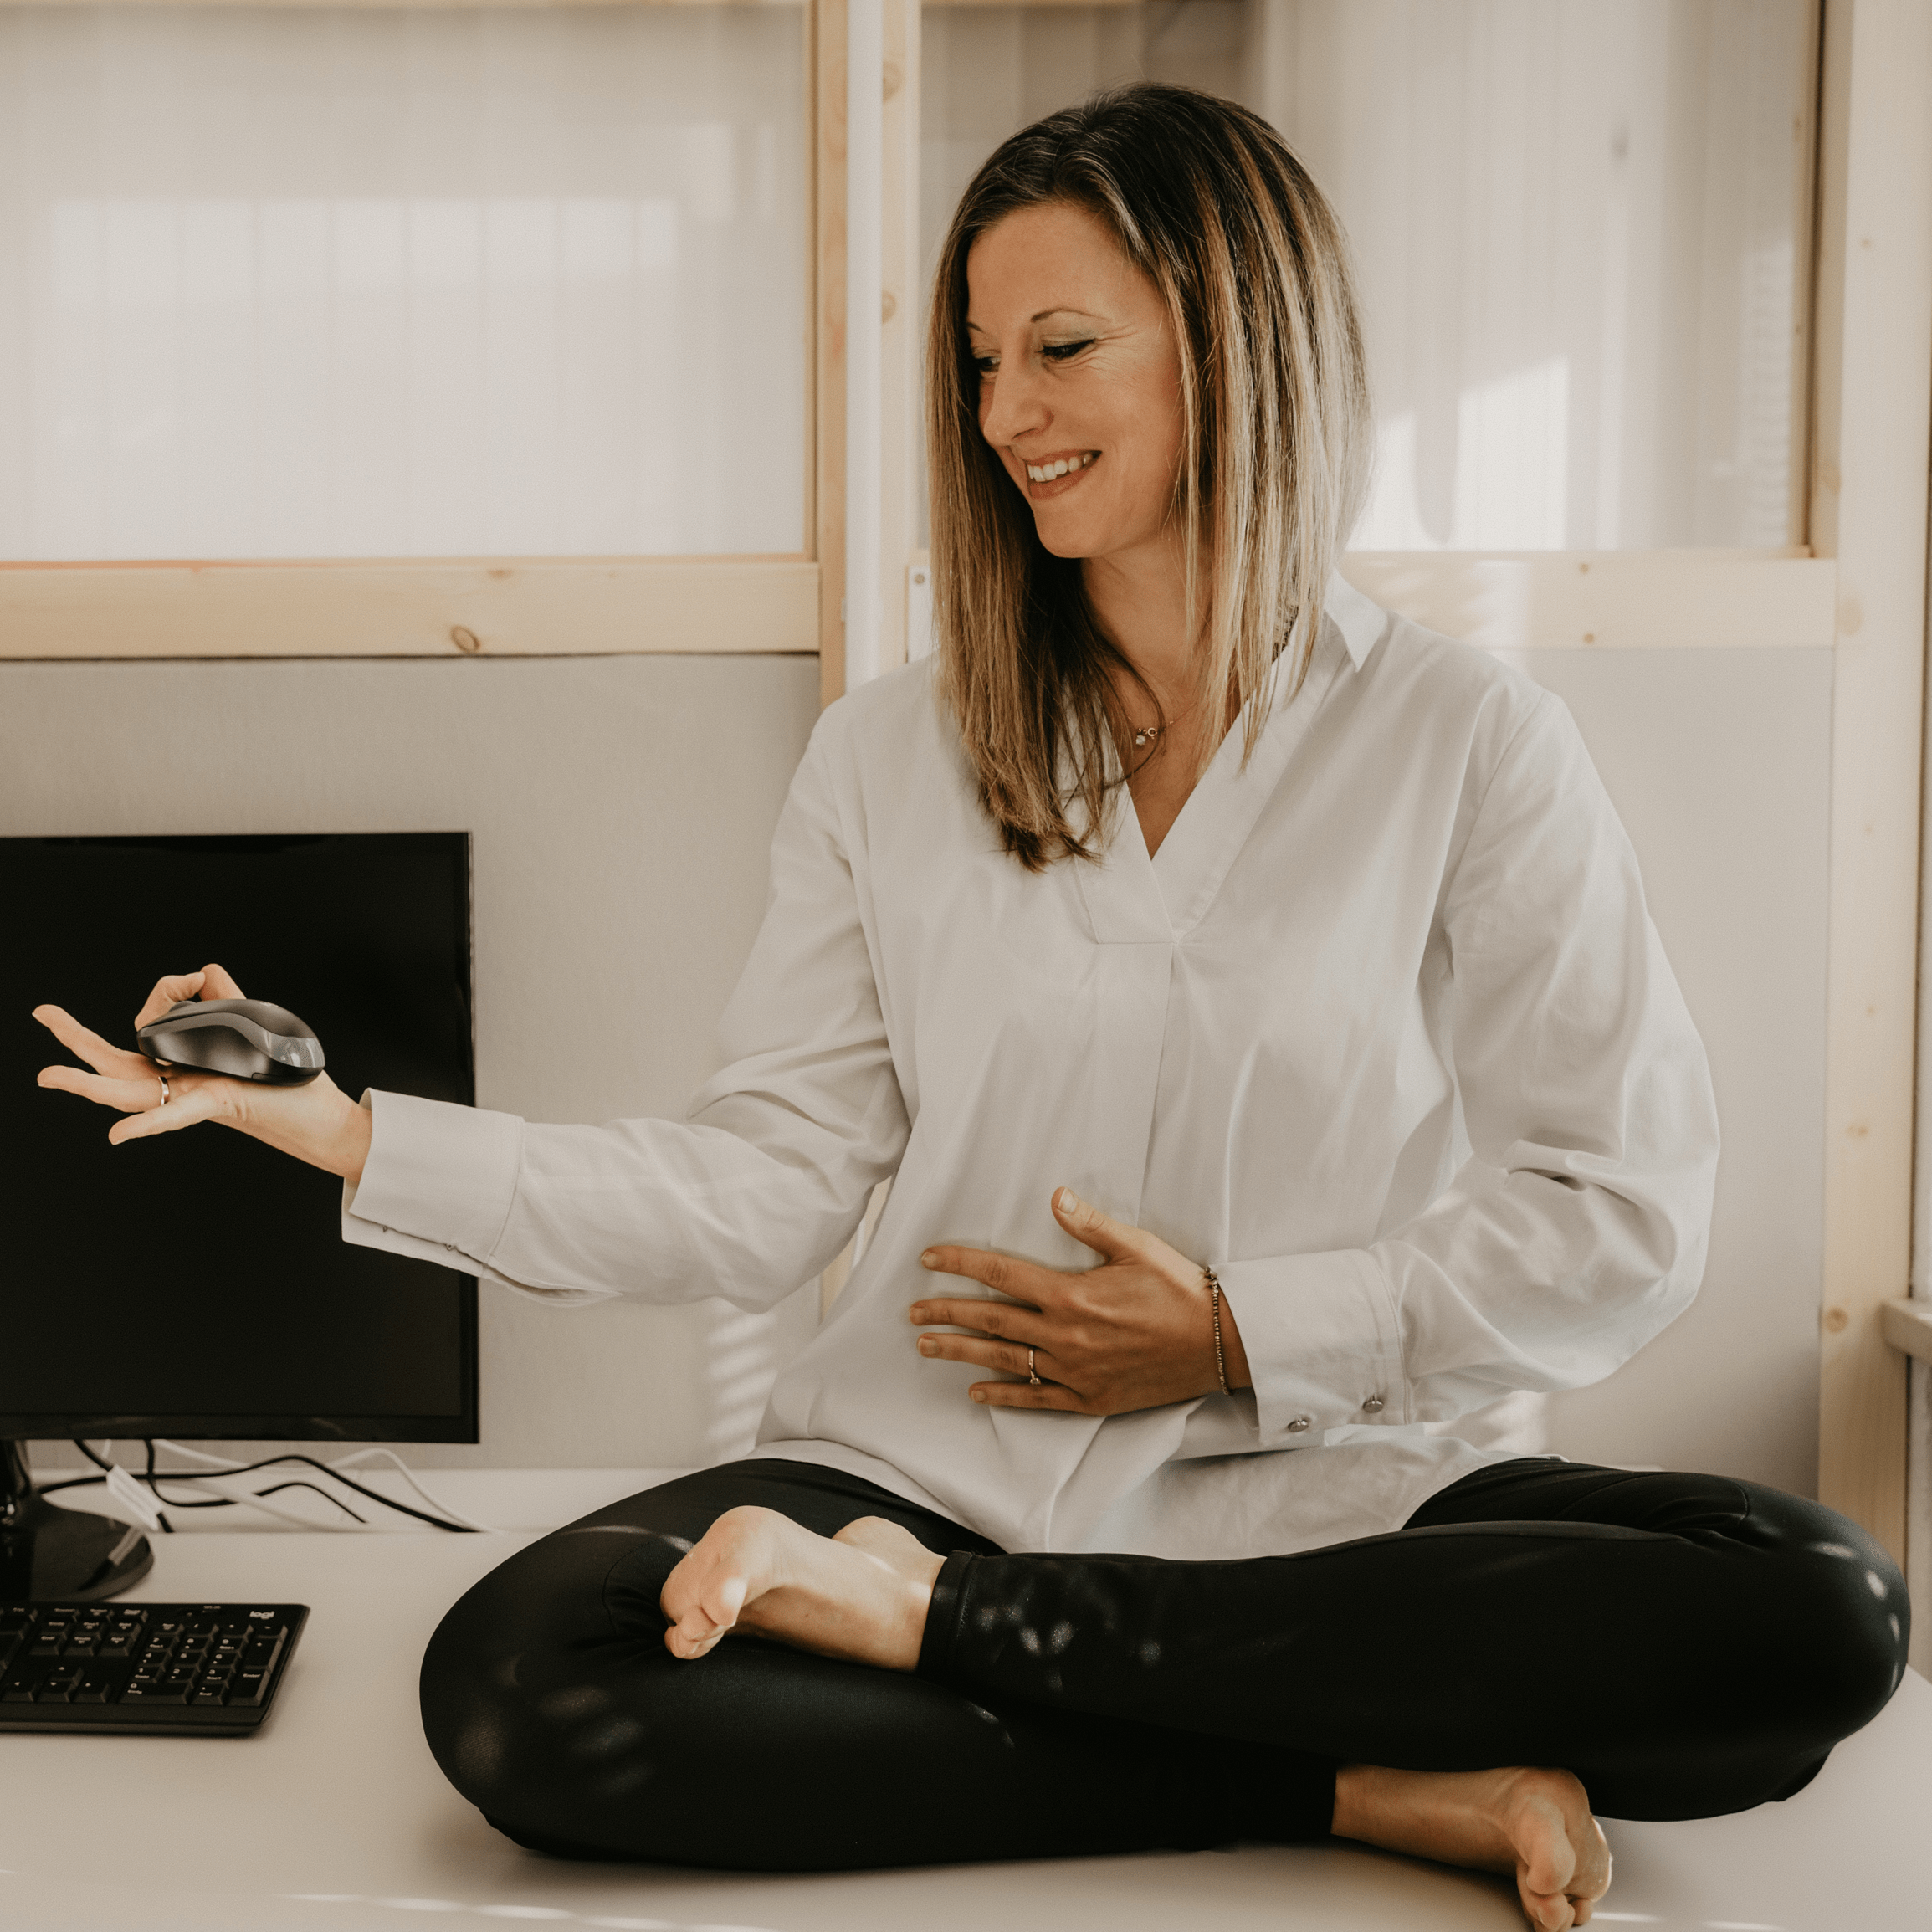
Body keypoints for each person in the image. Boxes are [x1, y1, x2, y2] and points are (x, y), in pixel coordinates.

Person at [35, 83, 1904, 1932]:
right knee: (525, 1683)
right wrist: (355, 1131)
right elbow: (767, 1183)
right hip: (928, 1473)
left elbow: (1621, 1201)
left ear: (1235, 339)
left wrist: (1239, 1332)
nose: (1003, 411)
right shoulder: (887, 758)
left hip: (1326, 1506)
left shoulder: (1466, 742)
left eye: (1060, 345)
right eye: (979, 358)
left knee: (1808, 1607)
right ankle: (1331, 1774)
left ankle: (936, 1639)